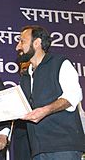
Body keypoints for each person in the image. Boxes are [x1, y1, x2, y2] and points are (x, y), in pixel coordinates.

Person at [16, 25, 85, 160]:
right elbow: (17, 106)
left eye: (22, 41)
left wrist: (46, 110)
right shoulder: (25, 76)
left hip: (64, 147)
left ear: (36, 43)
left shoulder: (60, 63)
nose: (18, 47)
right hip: (38, 150)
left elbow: (73, 95)